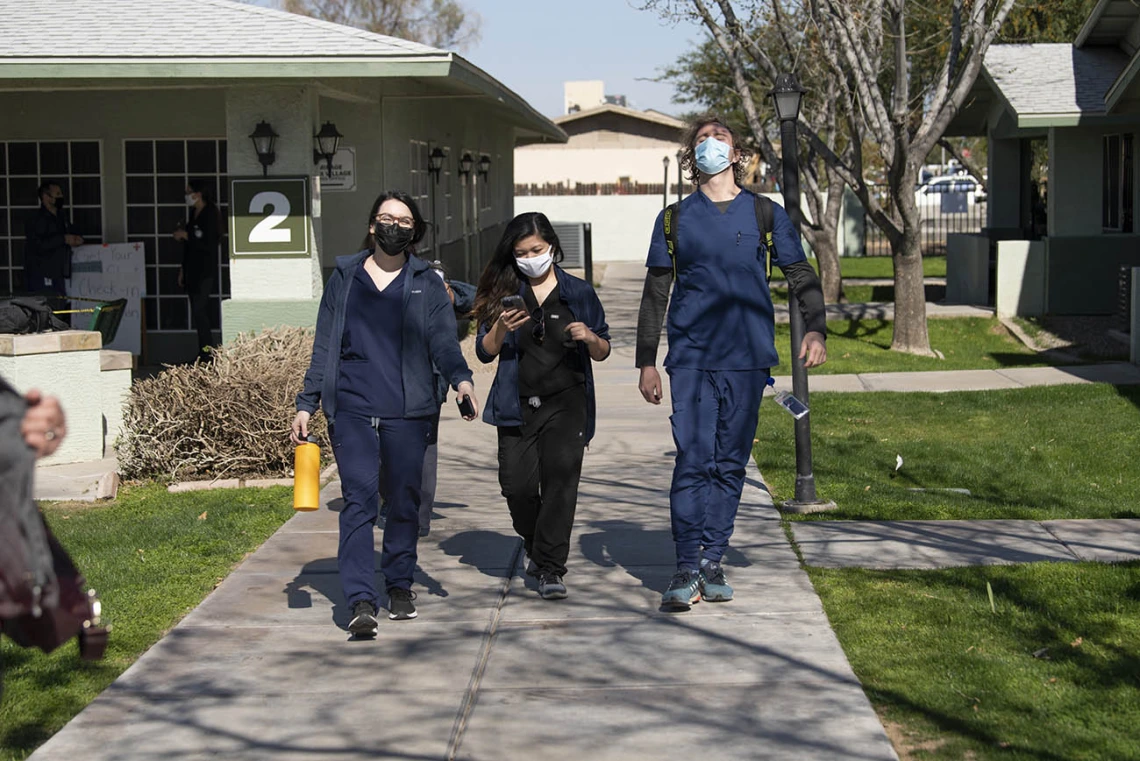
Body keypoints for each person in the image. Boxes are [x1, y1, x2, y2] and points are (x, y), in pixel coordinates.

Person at [636, 115, 828, 612]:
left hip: (747, 359)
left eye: (719, 139)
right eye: (701, 140)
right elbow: (657, 292)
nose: (710, 146)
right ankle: (684, 565)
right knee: (693, 461)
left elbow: (800, 273)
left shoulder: (765, 214)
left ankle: (712, 561)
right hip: (692, 358)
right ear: (691, 156)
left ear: (737, 154)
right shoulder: (674, 219)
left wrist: (816, 327)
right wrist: (646, 361)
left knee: (729, 465)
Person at [292, 190, 478, 638]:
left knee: (403, 499)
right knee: (358, 497)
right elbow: (324, 345)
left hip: (408, 409)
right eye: (386, 218)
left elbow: (443, 342)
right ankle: (359, 599)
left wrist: (462, 381)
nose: (394, 226)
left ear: (414, 231)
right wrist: (306, 402)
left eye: (404, 220)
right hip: (352, 407)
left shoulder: (426, 282)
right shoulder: (345, 277)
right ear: (373, 226)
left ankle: (398, 583)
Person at [473, 212, 611, 600]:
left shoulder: (578, 292)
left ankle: (551, 567)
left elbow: (603, 350)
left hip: (568, 403)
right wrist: (501, 326)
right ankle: (536, 543)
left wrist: (588, 337)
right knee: (516, 487)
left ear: (552, 246)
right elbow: (484, 353)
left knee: (560, 488)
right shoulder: (504, 291)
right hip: (516, 405)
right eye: (522, 252)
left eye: (537, 249)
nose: (531, 257)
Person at [379, 259, 476, 538]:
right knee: (385, 448)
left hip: (431, 382)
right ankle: (390, 500)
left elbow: (477, 297)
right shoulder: (397, 292)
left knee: (425, 450)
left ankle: (419, 519)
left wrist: (450, 291)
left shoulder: (445, 296)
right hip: (392, 380)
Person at [174, 179, 220, 363]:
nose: (187, 196)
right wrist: (182, 270)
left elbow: (210, 241)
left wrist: (187, 235)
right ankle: (203, 351)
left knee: (201, 310)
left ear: (198, 194)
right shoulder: (193, 213)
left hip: (205, 270)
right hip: (191, 269)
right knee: (196, 311)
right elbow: (188, 247)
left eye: (189, 192)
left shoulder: (211, 213)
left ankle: (208, 353)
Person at [23, 181, 83, 302]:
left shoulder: (62, 216)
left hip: (60, 273)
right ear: (46, 197)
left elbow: (69, 231)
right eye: (57, 194)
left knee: (61, 304)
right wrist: (63, 239)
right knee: (48, 307)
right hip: (43, 273)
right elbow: (37, 245)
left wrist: (76, 238)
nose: (61, 197)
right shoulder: (37, 219)